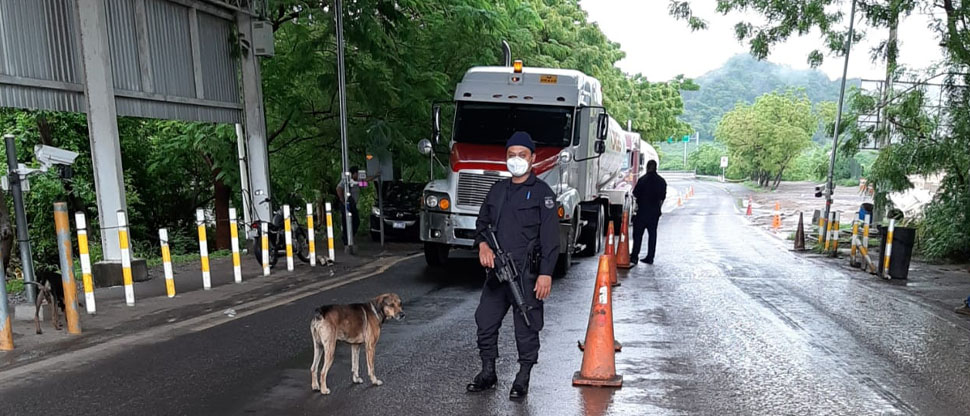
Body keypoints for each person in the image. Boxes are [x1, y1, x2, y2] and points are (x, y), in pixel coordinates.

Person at [466, 131, 558, 400]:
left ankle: (522, 377)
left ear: (533, 158)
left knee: (527, 326)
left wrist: (546, 274)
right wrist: (483, 245)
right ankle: (488, 372)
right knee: (485, 320)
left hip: (527, 275)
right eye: (511, 154)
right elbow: (482, 224)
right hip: (498, 272)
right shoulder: (497, 190)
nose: (516, 159)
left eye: (522, 154)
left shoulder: (543, 194)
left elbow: (550, 238)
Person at [631, 160, 666, 266]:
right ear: (656, 168)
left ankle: (634, 256)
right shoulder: (661, 181)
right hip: (654, 212)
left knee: (638, 235)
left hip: (642, 212)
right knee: (652, 235)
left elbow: (635, 193)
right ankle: (650, 257)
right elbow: (662, 197)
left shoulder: (642, 180)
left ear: (647, 167)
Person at [336, 167, 362, 249]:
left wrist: (375, 176)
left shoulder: (356, 182)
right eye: (357, 174)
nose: (358, 175)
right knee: (346, 221)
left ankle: (350, 236)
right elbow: (338, 188)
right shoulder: (346, 180)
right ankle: (346, 239)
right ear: (353, 173)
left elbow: (364, 183)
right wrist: (342, 200)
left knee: (356, 221)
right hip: (346, 204)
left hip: (353, 204)